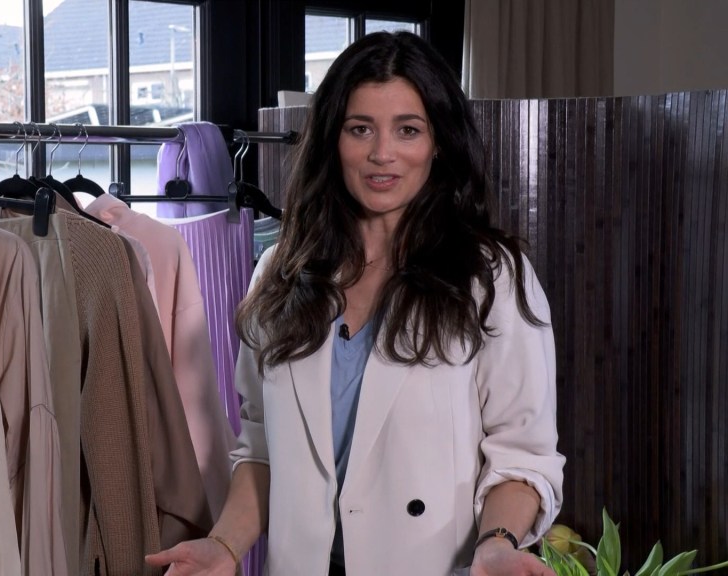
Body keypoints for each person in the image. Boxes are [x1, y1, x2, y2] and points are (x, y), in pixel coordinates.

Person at [146, 31, 564, 576]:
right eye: (360, 128)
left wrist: (498, 545)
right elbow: (262, 451)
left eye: (408, 130)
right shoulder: (279, 274)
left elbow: (522, 457)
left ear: (439, 143)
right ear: (333, 140)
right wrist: (223, 545)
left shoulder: (491, 278)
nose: (381, 153)